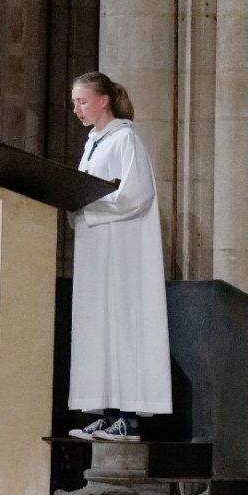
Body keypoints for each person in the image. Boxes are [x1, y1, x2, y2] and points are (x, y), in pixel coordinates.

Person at [66, 72, 172, 442]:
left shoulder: (125, 138)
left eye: (82, 101)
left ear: (103, 100)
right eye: (74, 102)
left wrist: (89, 206)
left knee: (123, 324)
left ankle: (128, 414)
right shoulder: (94, 142)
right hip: (98, 247)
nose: (76, 109)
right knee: (100, 325)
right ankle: (107, 410)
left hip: (121, 246)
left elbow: (136, 193)